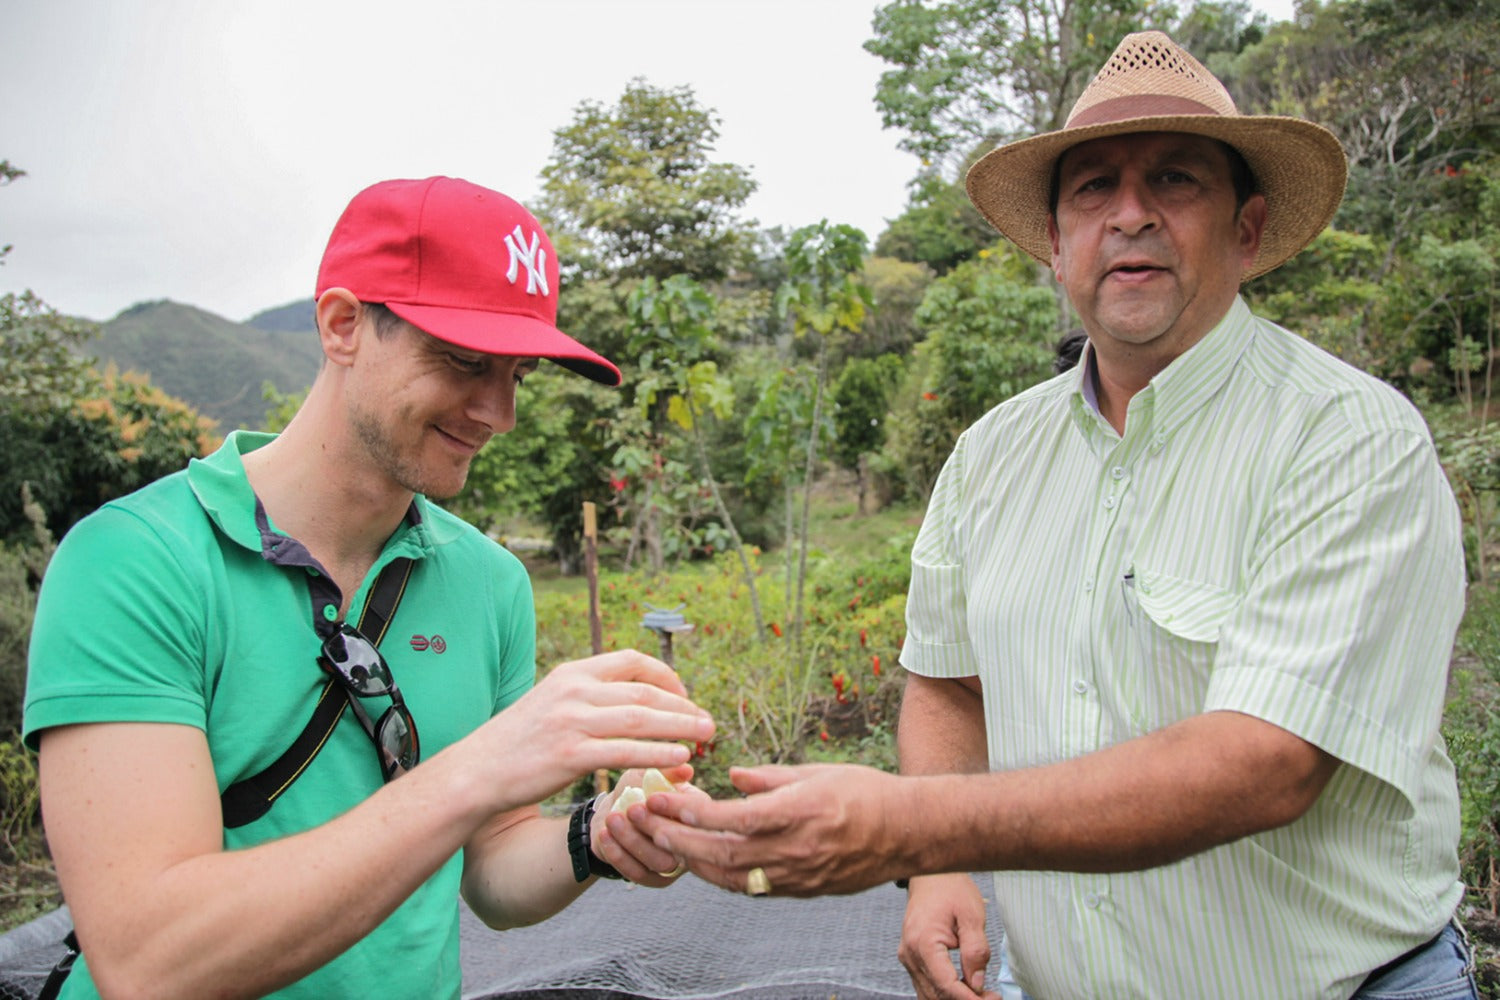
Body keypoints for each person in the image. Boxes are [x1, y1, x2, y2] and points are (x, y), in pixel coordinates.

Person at [639, 31, 1476, 1000]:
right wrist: (940, 874)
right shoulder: (993, 454)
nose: (1130, 215)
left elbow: (1262, 762)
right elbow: (949, 684)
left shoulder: (1348, 437)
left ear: (1246, 230)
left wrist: (912, 828)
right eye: (1092, 189)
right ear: (1053, 241)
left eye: (1174, 180)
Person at [23, 176, 713, 999]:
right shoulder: (136, 563)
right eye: (463, 360)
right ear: (343, 325)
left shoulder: (490, 584)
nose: (498, 412)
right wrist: (482, 767)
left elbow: (490, 867)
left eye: (518, 374)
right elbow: (150, 959)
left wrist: (599, 837)